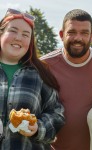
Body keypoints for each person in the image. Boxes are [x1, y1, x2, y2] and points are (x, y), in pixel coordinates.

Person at [41, 9, 92, 150]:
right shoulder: (44, 66)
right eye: (72, 32)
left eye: (84, 33)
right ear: (62, 35)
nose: (78, 38)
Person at [0, 8, 65, 150]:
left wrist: (38, 128)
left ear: (30, 42)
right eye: (13, 31)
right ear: (1, 33)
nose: (18, 38)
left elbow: (57, 114)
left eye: (25, 34)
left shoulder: (39, 74)